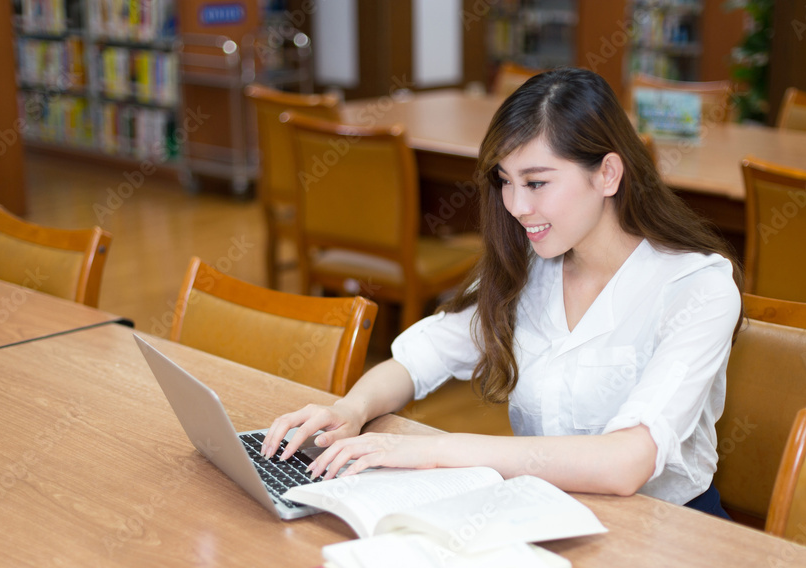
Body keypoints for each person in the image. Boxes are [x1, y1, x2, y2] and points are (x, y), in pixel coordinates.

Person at [262, 67, 743, 518]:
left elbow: (626, 462)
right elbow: (420, 358)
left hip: (666, 530)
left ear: (607, 175)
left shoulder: (698, 288)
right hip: (544, 512)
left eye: (536, 183)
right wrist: (349, 409)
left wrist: (436, 451)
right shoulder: (530, 265)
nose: (515, 205)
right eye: (505, 182)